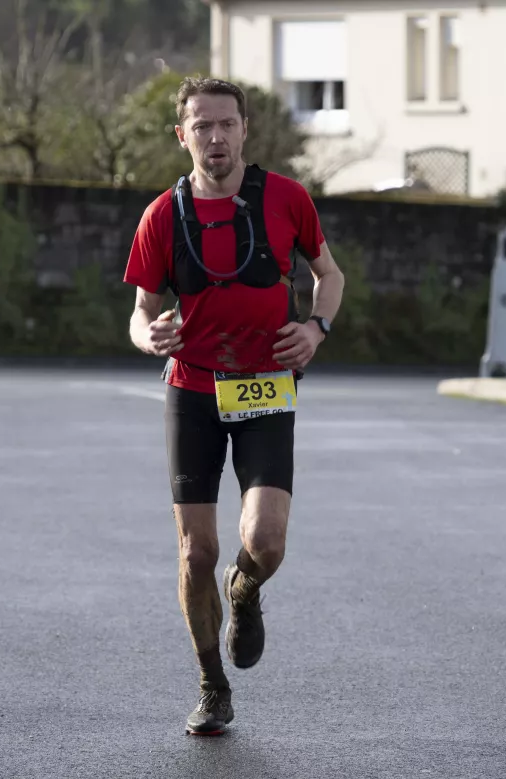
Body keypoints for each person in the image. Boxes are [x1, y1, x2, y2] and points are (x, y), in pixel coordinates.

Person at [122, 76, 345, 736]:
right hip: (192, 389)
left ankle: (243, 588)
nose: (215, 137)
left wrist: (315, 328)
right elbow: (140, 313)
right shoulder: (162, 216)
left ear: (245, 129)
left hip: (266, 386)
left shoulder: (286, 199)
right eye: (202, 126)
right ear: (182, 135)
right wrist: (149, 336)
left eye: (226, 124)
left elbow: (329, 275)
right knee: (196, 553)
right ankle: (211, 684)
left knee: (265, 541)